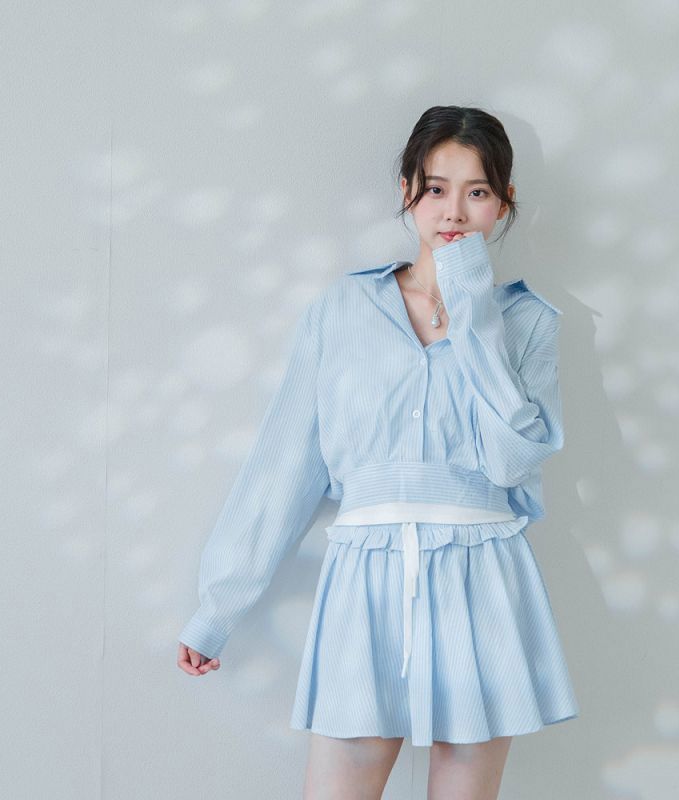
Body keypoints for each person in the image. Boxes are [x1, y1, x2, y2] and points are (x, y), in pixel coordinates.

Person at [177, 105, 580, 799]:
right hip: (366, 576)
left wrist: (472, 306)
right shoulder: (342, 309)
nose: (454, 211)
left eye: (478, 191)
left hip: (483, 575)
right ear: (407, 191)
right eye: (436, 189)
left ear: (504, 202)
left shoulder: (528, 322)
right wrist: (217, 608)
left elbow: (511, 462)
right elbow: (286, 464)